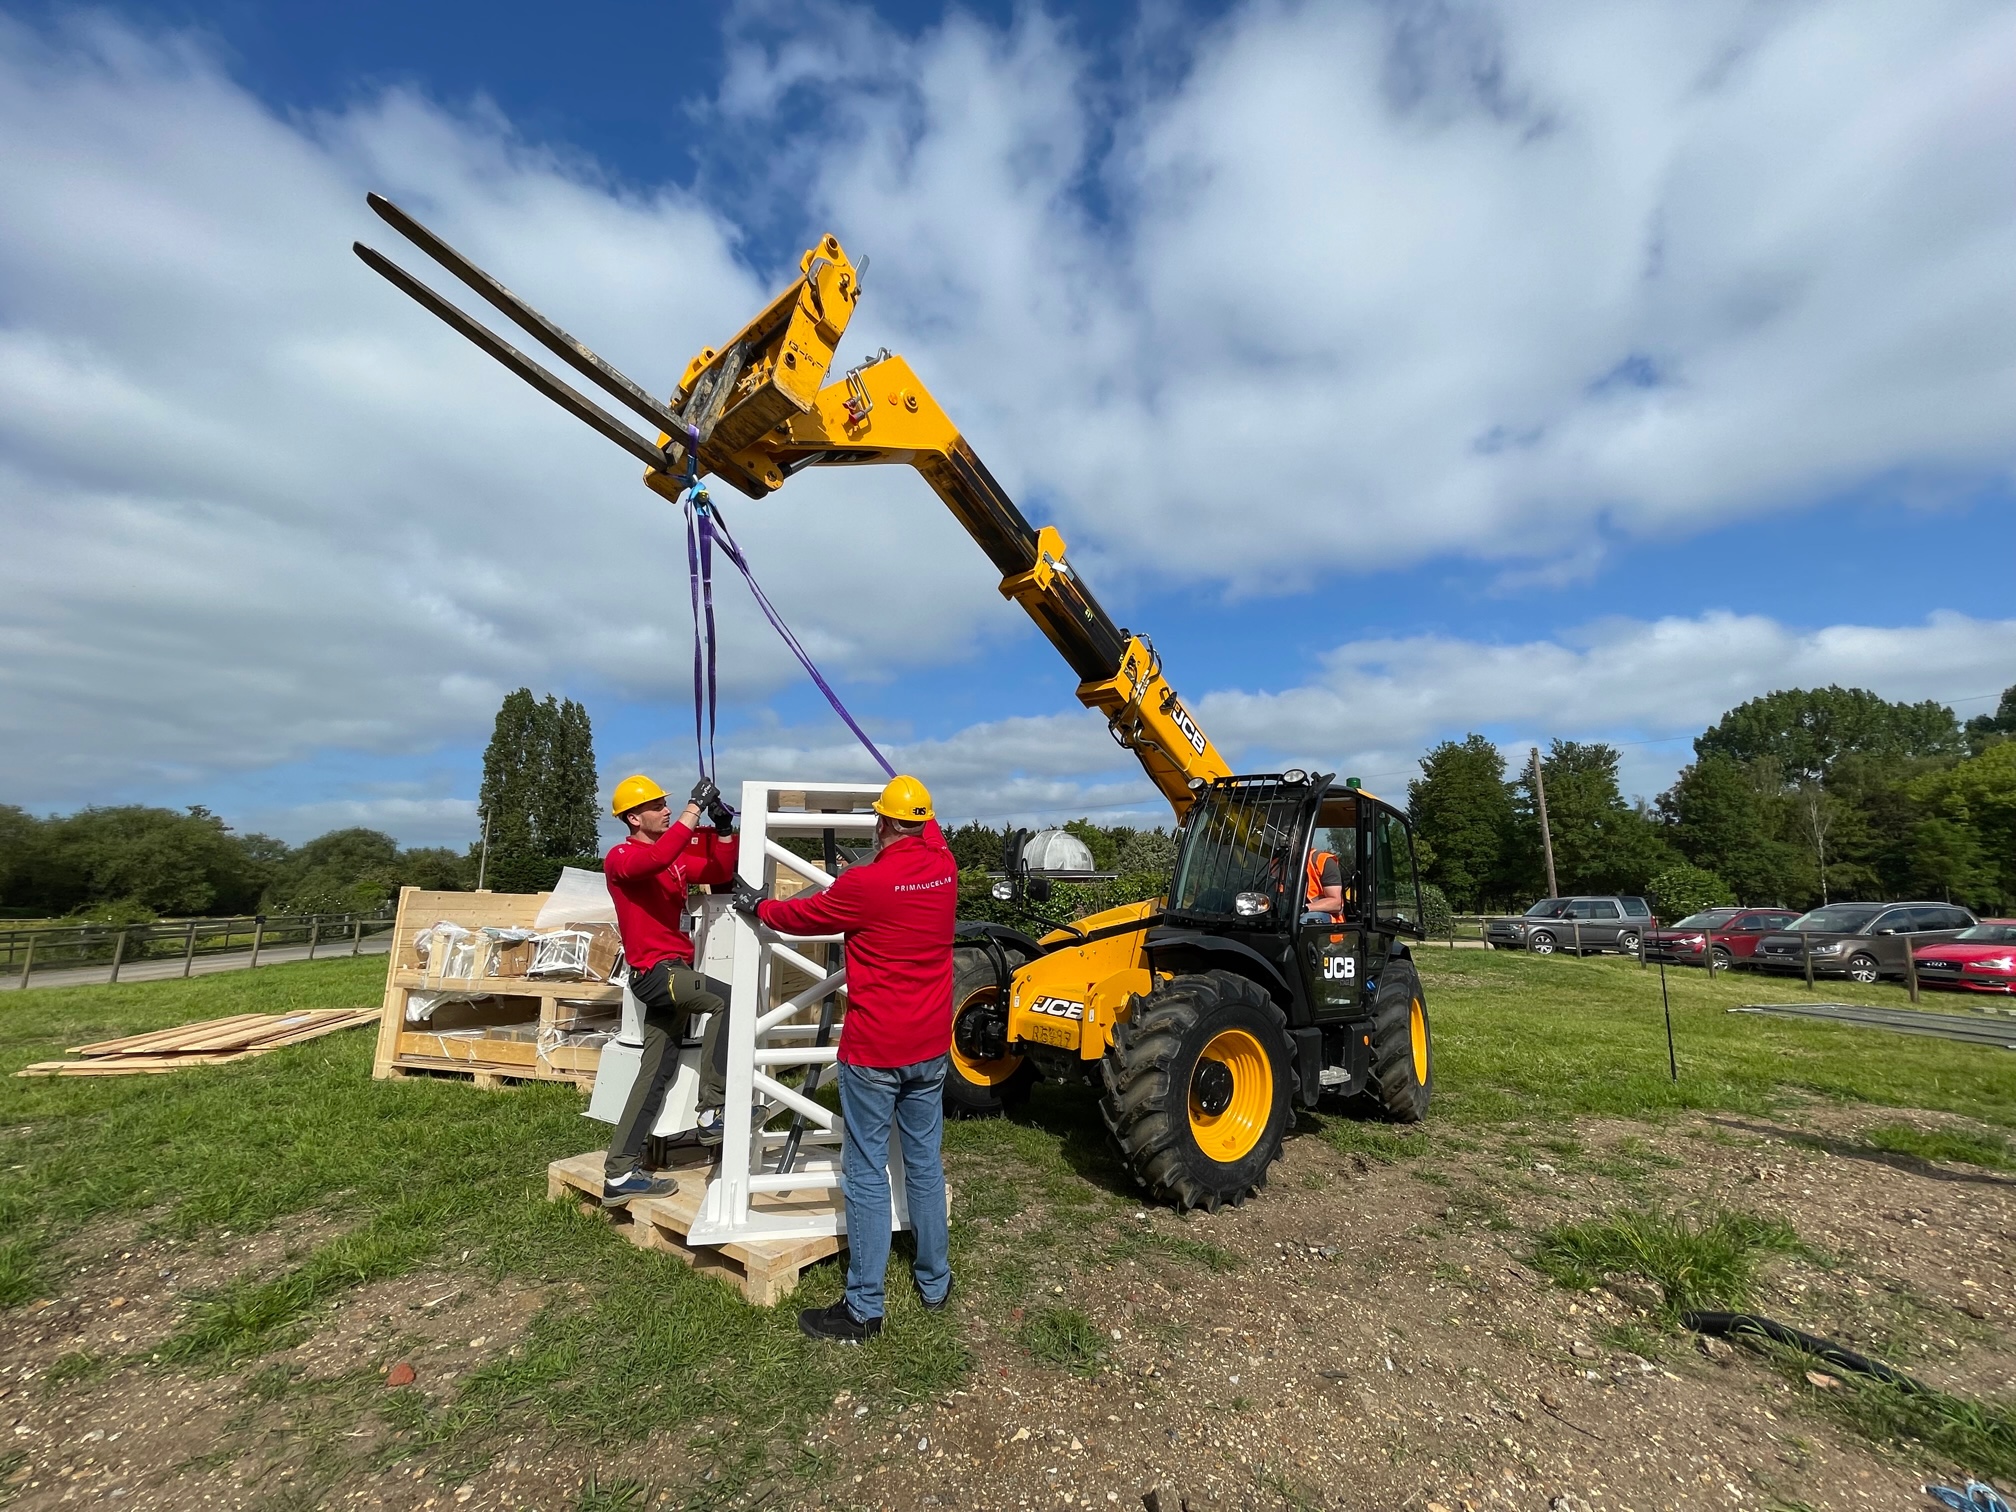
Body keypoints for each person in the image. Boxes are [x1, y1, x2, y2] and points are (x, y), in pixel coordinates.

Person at [734, 773, 956, 1343]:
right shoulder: (944, 872)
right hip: (930, 1048)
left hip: (876, 1051)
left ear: (884, 825)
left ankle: (863, 1308)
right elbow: (930, 833)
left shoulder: (865, 884)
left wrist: (757, 904)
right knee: (925, 1166)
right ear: (924, 824)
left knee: (864, 1171)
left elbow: (799, 918)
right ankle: (935, 1284)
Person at [599, 772, 740, 1206]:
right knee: (725, 998)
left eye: (666, 804)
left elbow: (718, 869)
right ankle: (713, 1110)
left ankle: (620, 1173)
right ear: (633, 818)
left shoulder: (673, 859)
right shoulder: (621, 857)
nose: (665, 809)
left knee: (656, 1071)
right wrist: (694, 809)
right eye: (657, 805)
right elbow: (653, 862)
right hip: (656, 974)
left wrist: (723, 829)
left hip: (674, 970)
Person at [1304, 843, 1345, 920]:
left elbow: (1336, 903)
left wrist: (1305, 908)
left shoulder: (1322, 860)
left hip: (1326, 919)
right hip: (1293, 914)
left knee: (1305, 920)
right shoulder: (1280, 863)